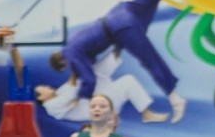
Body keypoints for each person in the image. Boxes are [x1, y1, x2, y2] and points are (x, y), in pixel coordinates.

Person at [48, 0, 198, 123]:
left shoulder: (70, 54)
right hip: (121, 12)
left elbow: (90, 79)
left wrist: (81, 98)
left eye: (67, 67)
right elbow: (91, 54)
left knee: (150, 59)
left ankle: (175, 99)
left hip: (120, 27)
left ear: (63, 63)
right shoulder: (73, 42)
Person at [35, 49, 167, 124]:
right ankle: (147, 114)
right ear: (41, 98)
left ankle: (117, 49)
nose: (47, 86)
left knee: (96, 73)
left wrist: (80, 61)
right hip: (99, 107)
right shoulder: (51, 107)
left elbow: (78, 83)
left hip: (93, 96)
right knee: (128, 81)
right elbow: (73, 91)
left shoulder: (58, 93)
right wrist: (75, 63)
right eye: (43, 88)